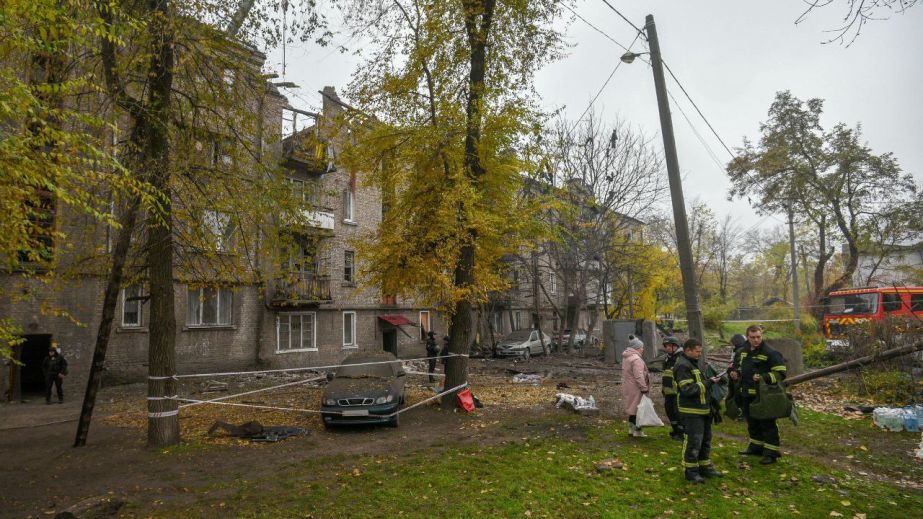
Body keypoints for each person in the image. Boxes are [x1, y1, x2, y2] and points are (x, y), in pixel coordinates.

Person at [728, 325, 788, 465]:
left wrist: (764, 377)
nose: (756, 340)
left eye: (758, 337)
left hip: (763, 396)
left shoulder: (771, 353)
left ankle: (771, 453)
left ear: (762, 336)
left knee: (767, 423)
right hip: (746, 394)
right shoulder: (742, 352)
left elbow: (781, 374)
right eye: (752, 337)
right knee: (752, 422)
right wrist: (734, 373)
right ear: (747, 337)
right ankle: (756, 447)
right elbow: (735, 367)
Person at [673, 338, 722, 483]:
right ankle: (691, 471)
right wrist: (709, 382)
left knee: (705, 440)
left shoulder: (692, 363)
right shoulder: (682, 366)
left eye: (700, 352)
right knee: (693, 441)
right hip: (691, 411)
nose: (699, 354)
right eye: (697, 351)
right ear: (687, 350)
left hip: (703, 409)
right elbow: (688, 389)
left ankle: (705, 467)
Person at [621, 335, 650, 438]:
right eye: (642, 347)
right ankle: (638, 431)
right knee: (638, 409)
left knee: (632, 409)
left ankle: (631, 429)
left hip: (628, 386)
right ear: (637, 348)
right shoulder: (636, 359)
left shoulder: (627, 357)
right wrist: (644, 388)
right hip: (636, 387)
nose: (643, 349)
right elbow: (639, 375)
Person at [660, 336, 684, 441]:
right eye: (666, 346)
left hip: (678, 391)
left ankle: (682, 433)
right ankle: (675, 429)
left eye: (670, 345)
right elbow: (665, 374)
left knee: (678, 412)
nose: (667, 348)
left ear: (676, 346)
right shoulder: (668, 357)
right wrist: (663, 388)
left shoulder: (681, 357)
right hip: (668, 390)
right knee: (669, 410)